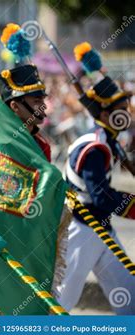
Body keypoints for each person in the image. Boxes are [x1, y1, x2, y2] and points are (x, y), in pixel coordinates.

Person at [57, 71, 135, 314]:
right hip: (82, 229)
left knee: (129, 297)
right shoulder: (94, 148)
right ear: (103, 114)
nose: (128, 113)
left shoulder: (108, 140)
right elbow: (101, 196)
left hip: (102, 229)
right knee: (60, 303)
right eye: (121, 109)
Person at [0, 64, 51, 161]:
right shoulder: (3, 145)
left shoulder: (41, 144)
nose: (44, 106)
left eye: (43, 100)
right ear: (15, 106)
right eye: (37, 101)